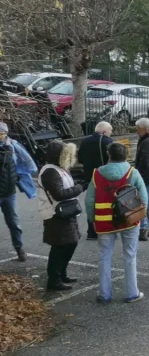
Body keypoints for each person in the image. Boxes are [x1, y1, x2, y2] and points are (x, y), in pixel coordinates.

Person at [85, 142, 146, 303]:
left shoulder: (96, 174)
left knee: (105, 256)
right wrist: (141, 217)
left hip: (104, 221)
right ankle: (132, 292)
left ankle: (104, 294)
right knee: (130, 256)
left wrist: (93, 219)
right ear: (125, 155)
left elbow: (89, 201)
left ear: (109, 155)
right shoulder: (132, 172)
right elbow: (144, 197)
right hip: (128, 219)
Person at [38, 141, 83, 291]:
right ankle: (54, 279)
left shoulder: (58, 168)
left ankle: (61, 274)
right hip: (55, 214)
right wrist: (79, 188)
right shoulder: (50, 171)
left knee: (70, 243)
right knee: (60, 247)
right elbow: (59, 194)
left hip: (64, 212)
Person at [0, 122, 37, 261]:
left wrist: (22, 175)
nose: (1, 136)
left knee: (14, 223)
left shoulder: (13, 146)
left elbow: (29, 164)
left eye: (2, 133)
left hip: (9, 193)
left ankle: (19, 248)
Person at [78, 121, 113, 240]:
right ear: (104, 131)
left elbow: (80, 159)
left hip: (89, 176)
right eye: (110, 131)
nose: (111, 134)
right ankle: (105, 228)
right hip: (104, 177)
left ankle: (91, 231)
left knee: (91, 203)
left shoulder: (85, 140)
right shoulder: (108, 142)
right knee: (105, 203)